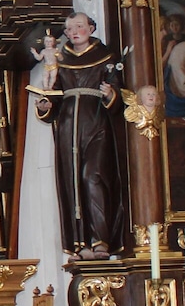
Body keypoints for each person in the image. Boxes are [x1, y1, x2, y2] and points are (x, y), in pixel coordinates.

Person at [33, 13, 126, 260]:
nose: (74, 32)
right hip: (67, 125)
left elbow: (120, 93)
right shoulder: (60, 58)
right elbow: (52, 94)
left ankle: (101, 240)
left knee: (92, 176)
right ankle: (79, 244)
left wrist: (110, 94)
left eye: (79, 27)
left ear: (91, 28)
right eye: (69, 28)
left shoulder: (106, 56)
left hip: (96, 124)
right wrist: (44, 106)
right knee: (71, 181)